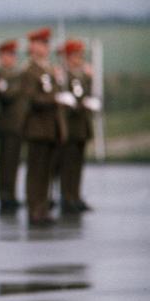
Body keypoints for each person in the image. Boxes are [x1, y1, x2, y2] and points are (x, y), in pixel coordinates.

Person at [20, 28, 66, 226]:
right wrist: (54, 99)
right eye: (42, 43)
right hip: (37, 128)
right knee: (36, 172)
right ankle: (35, 209)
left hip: (49, 128)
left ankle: (43, 206)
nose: (46, 47)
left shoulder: (47, 69)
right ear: (33, 46)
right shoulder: (30, 70)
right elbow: (32, 99)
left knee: (46, 172)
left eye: (47, 44)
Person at [57, 39, 99, 213]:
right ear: (68, 57)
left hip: (81, 126)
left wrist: (89, 80)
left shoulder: (80, 75)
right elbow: (66, 99)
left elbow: (84, 95)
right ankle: (67, 197)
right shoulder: (65, 75)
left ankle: (75, 195)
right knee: (68, 164)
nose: (79, 58)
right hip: (70, 126)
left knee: (78, 164)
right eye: (75, 55)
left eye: (80, 55)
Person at [0, 40, 26, 213]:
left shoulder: (13, 74)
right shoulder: (2, 75)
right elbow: (7, 95)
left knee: (13, 162)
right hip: (6, 124)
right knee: (5, 162)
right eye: (8, 55)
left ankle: (11, 194)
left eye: (13, 55)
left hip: (17, 124)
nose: (12, 58)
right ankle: (5, 195)